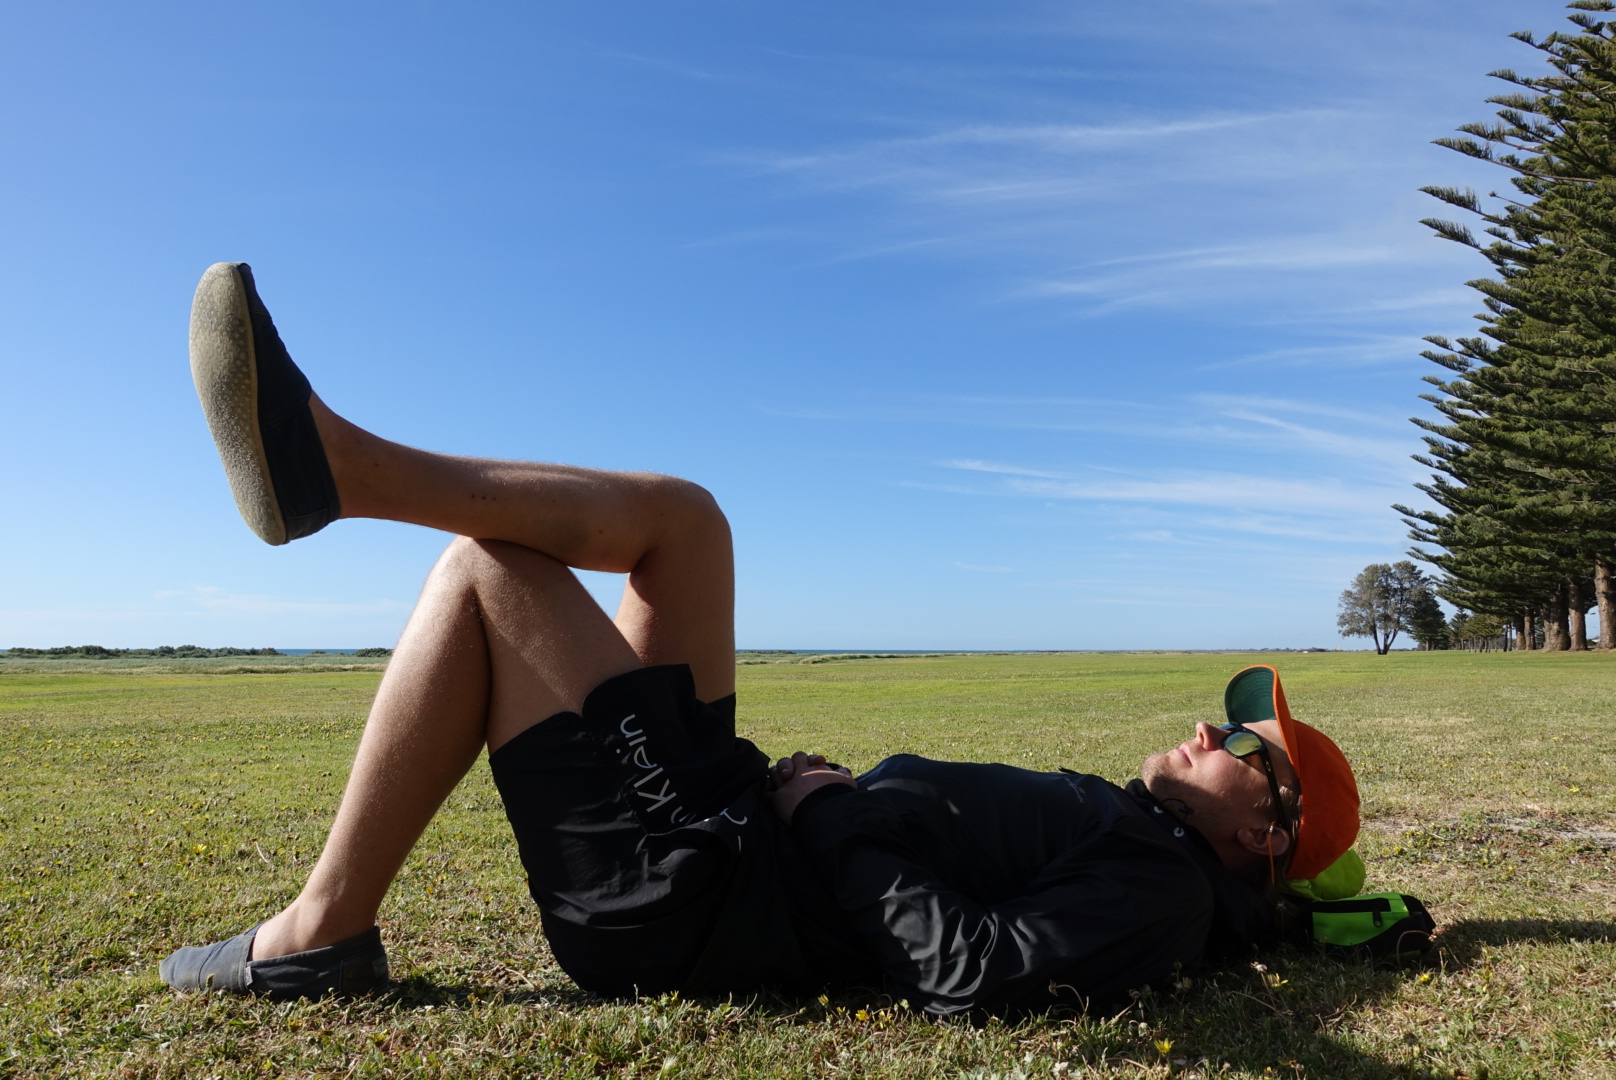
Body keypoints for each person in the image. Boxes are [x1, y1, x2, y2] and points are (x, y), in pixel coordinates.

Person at [161, 263, 1363, 1017]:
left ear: (1263, 833)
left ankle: (318, 934)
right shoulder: (1145, 841)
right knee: (687, 525)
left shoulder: (1162, 893)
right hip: (734, 833)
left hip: (689, 902)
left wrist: (832, 817)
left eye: (1240, 746)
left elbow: (976, 973)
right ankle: (342, 468)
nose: (1207, 726)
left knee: (490, 572)